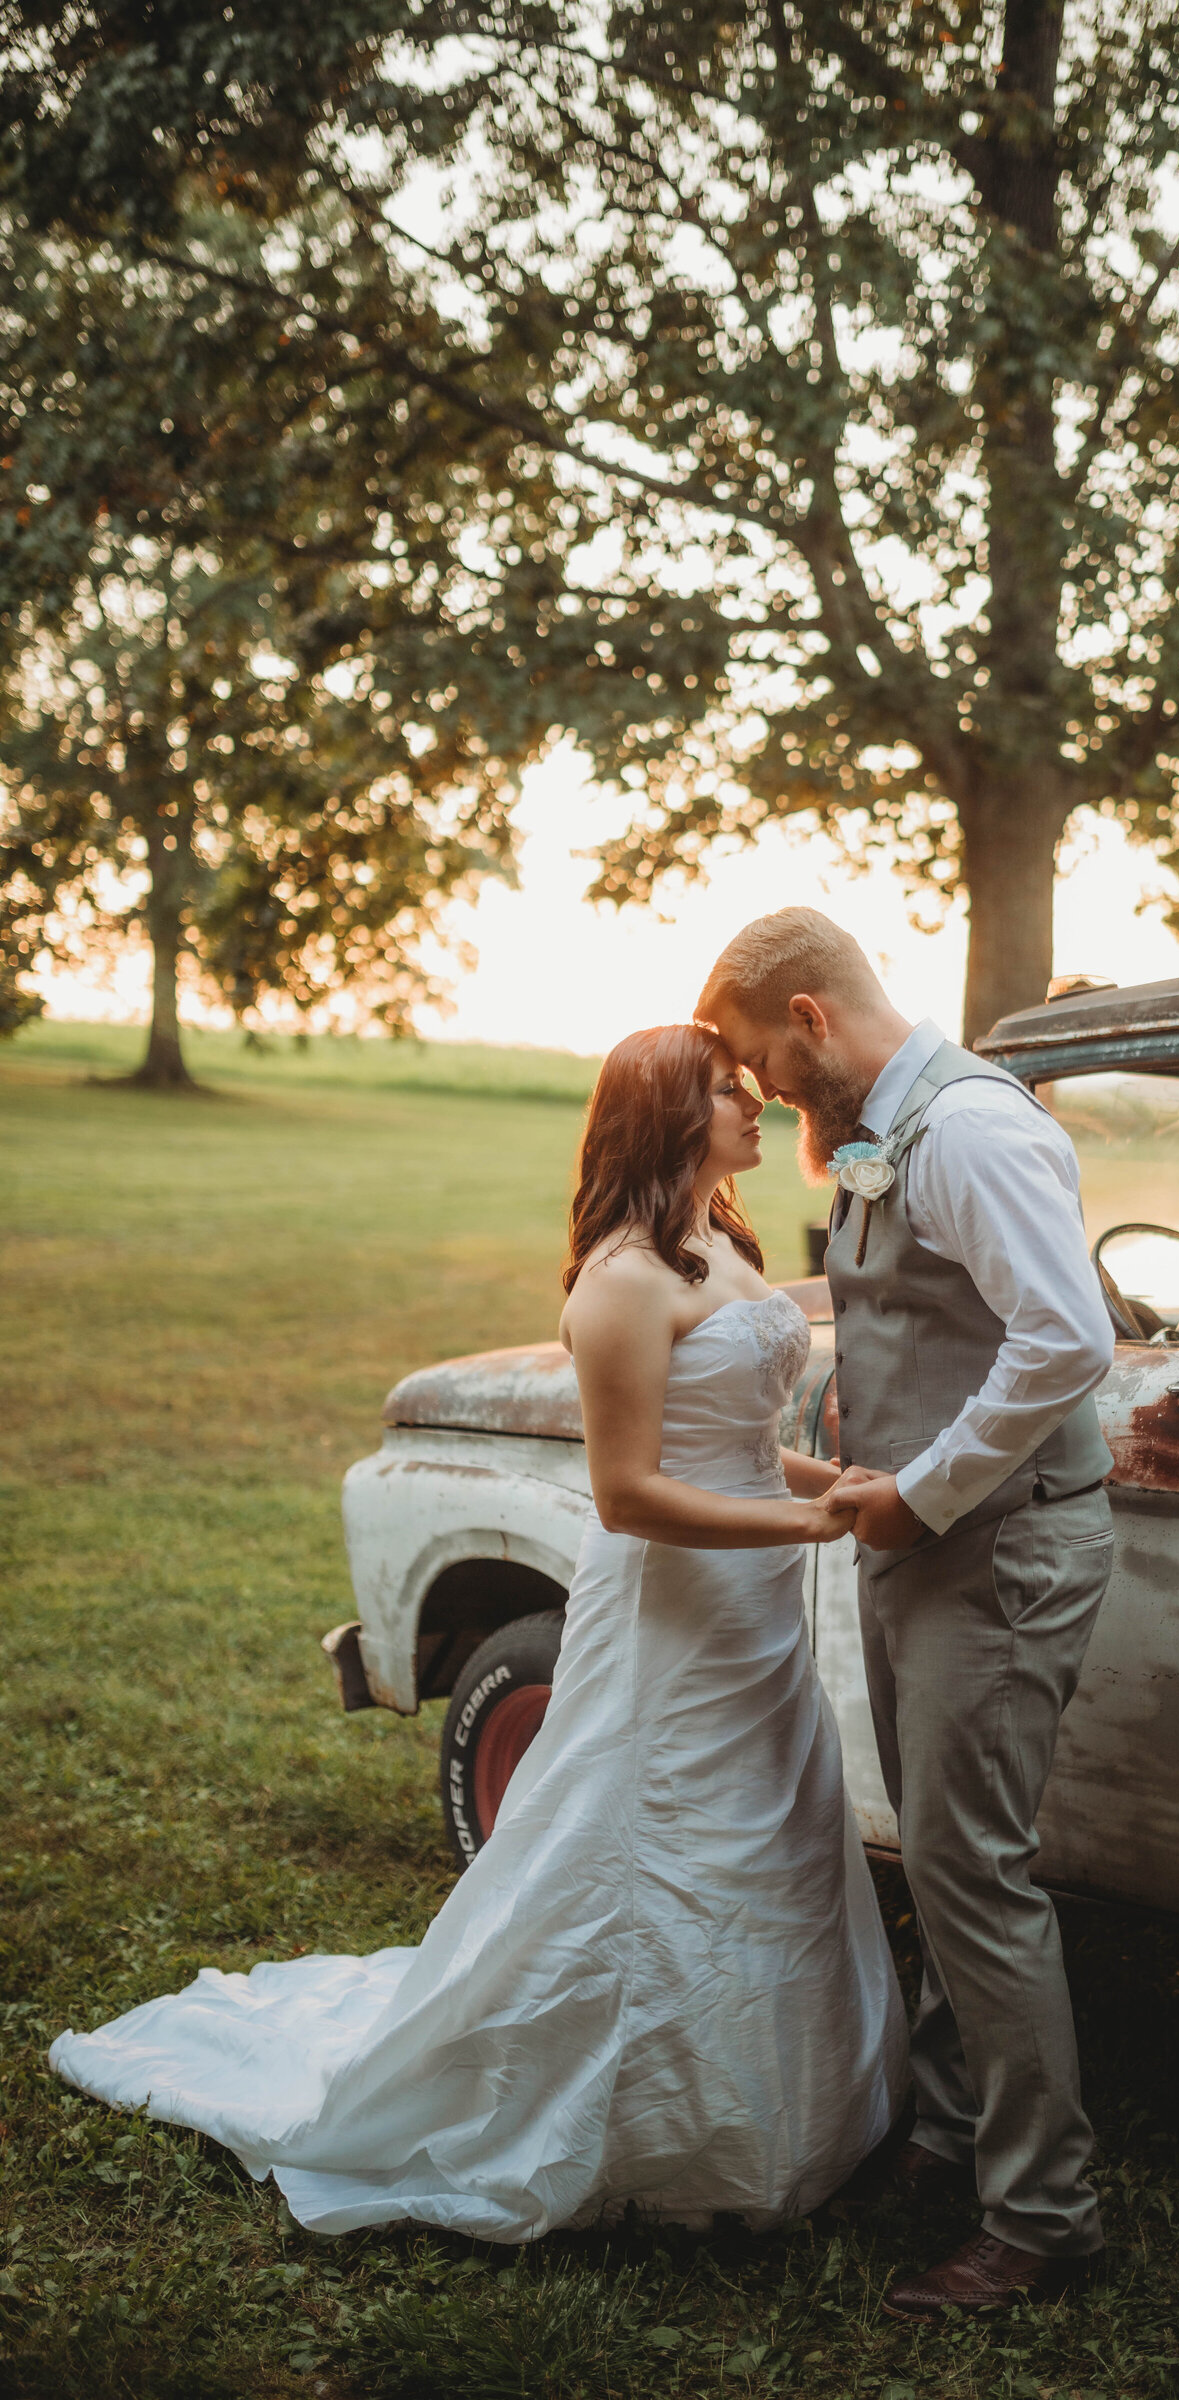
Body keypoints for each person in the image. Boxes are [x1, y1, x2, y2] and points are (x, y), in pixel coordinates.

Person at [50, 1023, 907, 2240]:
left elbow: (722, 1442)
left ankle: (789, 2104)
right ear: (668, 1112)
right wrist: (800, 1530)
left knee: (772, 1817)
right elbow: (626, 1493)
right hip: (671, 1608)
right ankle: (644, 2124)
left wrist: (827, 1480)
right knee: (661, 1829)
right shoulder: (619, 1281)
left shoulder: (720, 1239)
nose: (758, 1100)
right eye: (730, 1090)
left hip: (750, 1612)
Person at [700, 909, 1116, 2319]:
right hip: (924, 1540)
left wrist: (923, 1491)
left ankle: (1046, 2217)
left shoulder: (967, 1132)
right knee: (938, 1869)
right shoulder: (886, 1129)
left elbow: (1069, 1337)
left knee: (974, 1877)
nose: (760, 1094)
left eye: (763, 1061)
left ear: (810, 1017)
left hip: (993, 1550)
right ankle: (949, 2137)